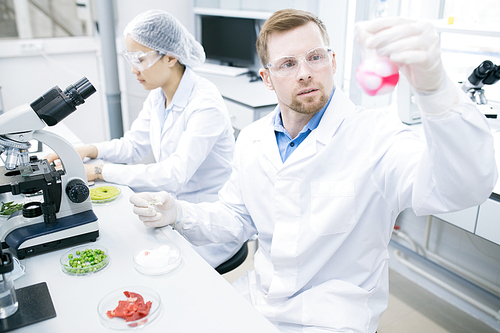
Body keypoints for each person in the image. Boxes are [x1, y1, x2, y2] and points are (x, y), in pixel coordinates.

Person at [129, 9, 498, 333]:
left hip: (337, 316)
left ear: (333, 61)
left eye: (315, 57)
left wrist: (435, 89)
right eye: (288, 64)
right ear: (267, 78)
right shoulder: (254, 139)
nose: (305, 73)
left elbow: (462, 188)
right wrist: (179, 213)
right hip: (262, 298)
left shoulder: (376, 137)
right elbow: (236, 217)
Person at [46, 9, 240, 268]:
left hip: (208, 222)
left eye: (139, 59)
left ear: (170, 56)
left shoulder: (206, 103)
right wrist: (87, 149)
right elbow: (133, 146)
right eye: (130, 59)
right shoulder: (159, 95)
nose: (133, 69)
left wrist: (99, 171)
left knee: (143, 265)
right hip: (171, 206)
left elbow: (174, 174)